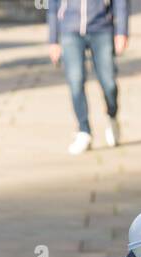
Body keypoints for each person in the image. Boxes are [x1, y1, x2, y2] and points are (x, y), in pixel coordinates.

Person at [46, 1, 129, 156]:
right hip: (70, 29)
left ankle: (112, 116)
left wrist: (122, 30)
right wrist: (53, 39)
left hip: (102, 27)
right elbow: (52, 5)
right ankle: (84, 130)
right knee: (75, 81)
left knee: (109, 82)